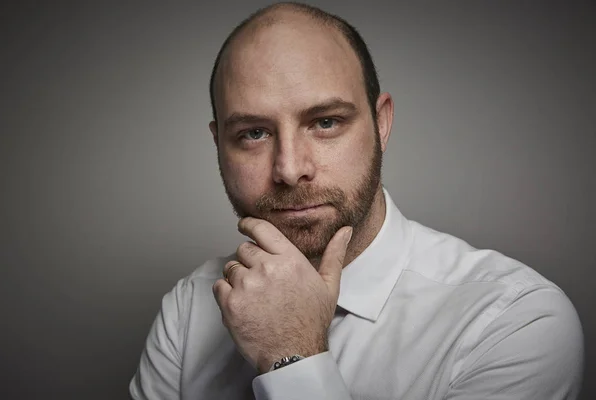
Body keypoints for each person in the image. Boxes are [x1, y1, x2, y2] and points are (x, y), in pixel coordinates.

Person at [129, 2, 584, 399]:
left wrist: (291, 355)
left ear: (381, 124)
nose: (289, 169)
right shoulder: (189, 310)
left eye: (325, 122)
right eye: (253, 133)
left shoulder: (515, 321)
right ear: (218, 146)